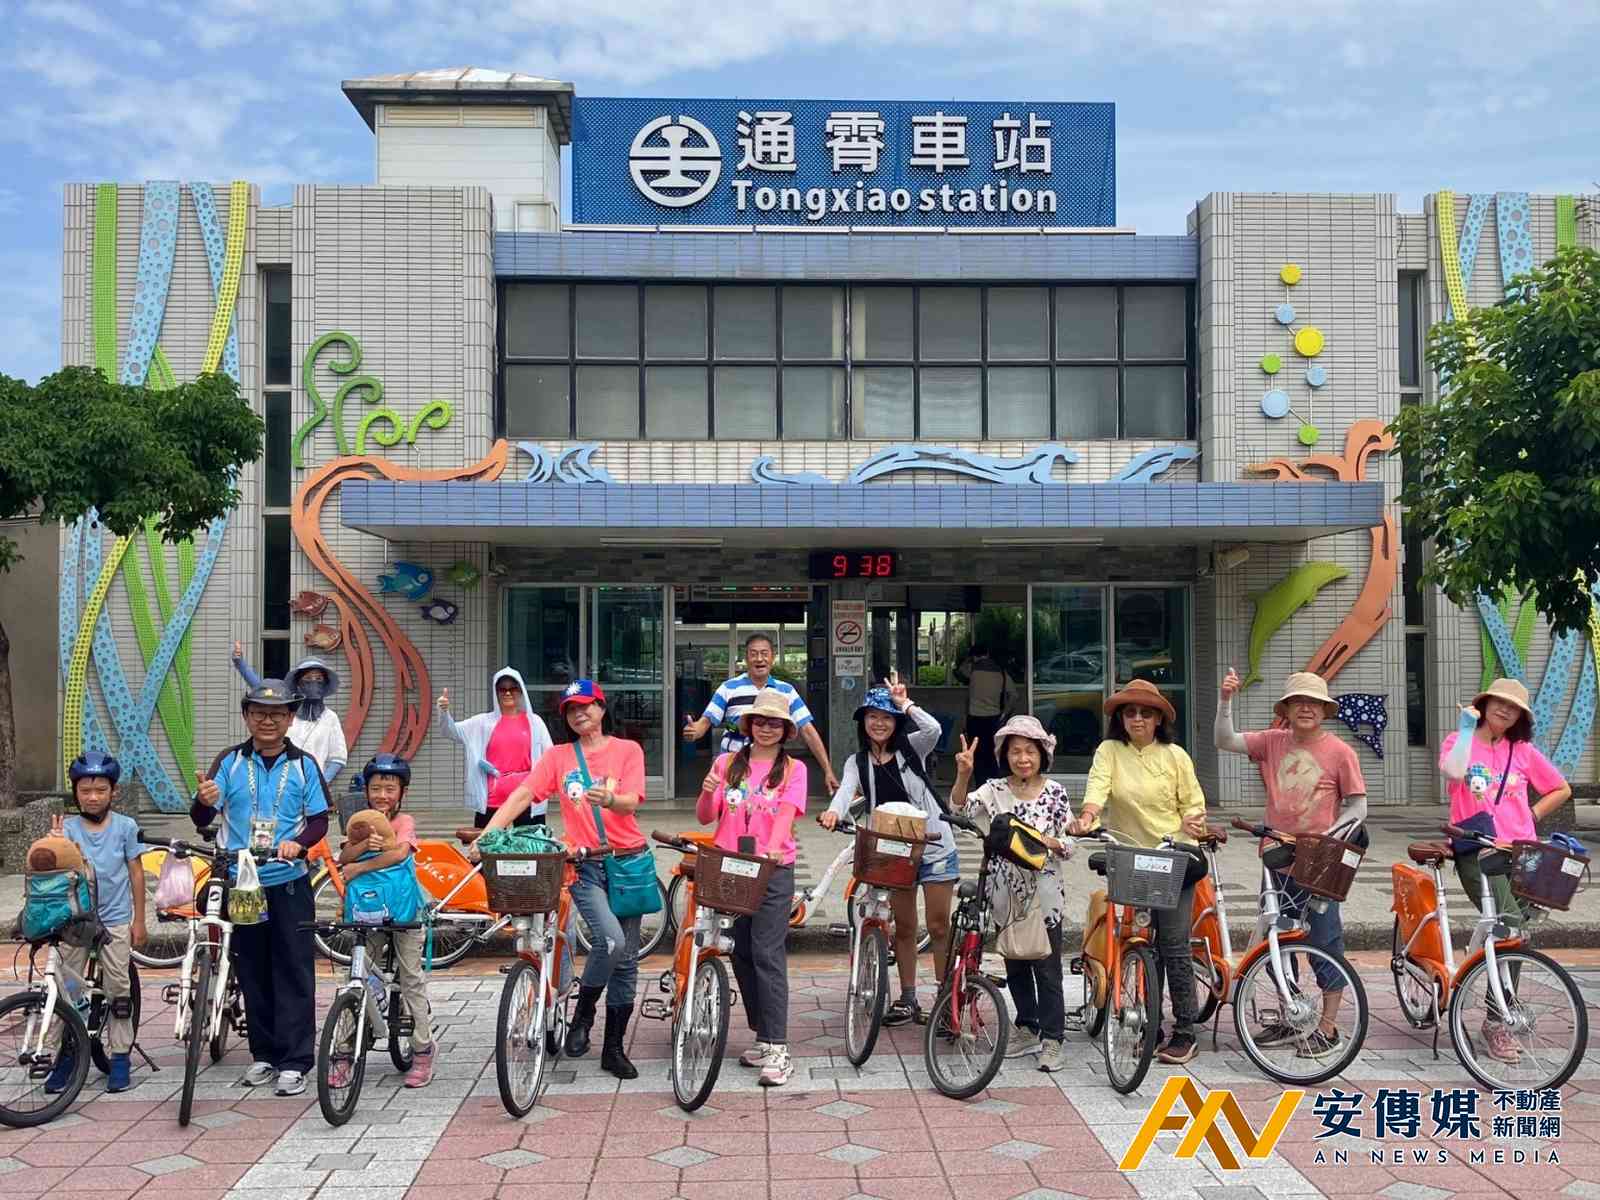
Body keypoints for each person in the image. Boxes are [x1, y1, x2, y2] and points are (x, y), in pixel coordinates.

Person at [481, 679, 647, 1080]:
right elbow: (523, 794)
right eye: (571, 709)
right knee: (611, 941)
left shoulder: (628, 750)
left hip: (628, 862)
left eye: (586, 706)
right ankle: (584, 1015)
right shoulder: (558, 757)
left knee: (625, 962)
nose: (579, 714)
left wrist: (611, 800)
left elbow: (630, 802)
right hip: (585, 865)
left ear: (601, 708)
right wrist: (488, 834)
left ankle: (613, 1049)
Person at [1215, 668, 1366, 1061]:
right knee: (1276, 939)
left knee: (1324, 940)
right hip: (1277, 858)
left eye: (1313, 702)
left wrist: (1326, 840)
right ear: (1286, 709)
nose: (1306, 708)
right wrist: (1225, 700)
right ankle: (1290, 1012)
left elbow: (1358, 807)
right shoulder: (1271, 741)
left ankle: (1327, 1028)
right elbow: (1224, 740)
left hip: (1320, 865)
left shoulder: (1341, 752)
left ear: (1324, 710)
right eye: (1298, 701)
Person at [192, 679, 330, 1096]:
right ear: (246, 717)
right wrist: (203, 801)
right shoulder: (230, 761)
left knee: (294, 969)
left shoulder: (304, 764)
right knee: (252, 969)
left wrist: (299, 843)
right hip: (243, 884)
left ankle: (296, 1060)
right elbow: (201, 818)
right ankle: (264, 1055)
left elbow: (320, 820)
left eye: (277, 714)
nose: (267, 720)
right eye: (258, 713)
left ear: (290, 719)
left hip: (288, 882)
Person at [1071, 678, 1208, 1066]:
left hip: (1175, 855)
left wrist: (1195, 820)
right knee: (1141, 941)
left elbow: (1193, 802)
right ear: (1120, 718)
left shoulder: (1175, 756)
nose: (1137, 719)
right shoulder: (1110, 751)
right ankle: (1151, 1025)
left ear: (1159, 719)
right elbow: (1097, 789)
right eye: (1130, 713)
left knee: (1174, 944)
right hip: (1133, 858)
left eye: (1146, 713)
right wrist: (1087, 817)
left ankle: (1185, 1031)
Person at [1440, 677, 1572, 1063]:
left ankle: (1496, 1012)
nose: (1505, 710)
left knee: (1516, 934)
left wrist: (1531, 814)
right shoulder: (1459, 741)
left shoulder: (1523, 751)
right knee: (1509, 923)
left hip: (1521, 852)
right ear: (1484, 704)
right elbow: (1452, 772)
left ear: (1520, 717)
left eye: (1513, 708)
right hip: (1476, 850)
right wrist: (1467, 730)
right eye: (1499, 702)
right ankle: (1499, 1021)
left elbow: (1561, 788)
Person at [821, 673, 958, 1026]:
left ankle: (946, 1000)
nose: (879, 723)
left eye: (886, 717)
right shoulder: (857, 762)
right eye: (872, 717)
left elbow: (933, 729)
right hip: (894, 851)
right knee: (906, 927)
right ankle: (908, 998)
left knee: (939, 926)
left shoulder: (912, 747)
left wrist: (904, 703)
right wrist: (833, 812)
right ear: (863, 722)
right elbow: (844, 792)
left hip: (934, 845)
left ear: (896, 722)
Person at [951, 715, 1074, 1072]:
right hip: (1004, 895)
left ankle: (1053, 1039)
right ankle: (1027, 1027)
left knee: (1047, 969)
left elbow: (1070, 843)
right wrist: (963, 773)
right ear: (1005, 755)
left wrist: (1048, 842)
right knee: (1016, 962)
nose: (1023, 758)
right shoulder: (993, 789)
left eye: (1030, 751)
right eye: (1016, 751)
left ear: (1042, 754)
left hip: (1046, 897)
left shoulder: (1055, 792)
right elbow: (959, 811)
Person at [697, 689, 807, 1087]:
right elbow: (706, 817)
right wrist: (708, 789)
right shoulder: (727, 763)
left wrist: (774, 848)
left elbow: (786, 816)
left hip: (772, 870)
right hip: (731, 868)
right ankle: (763, 1035)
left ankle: (778, 1047)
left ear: (786, 730)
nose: (766, 728)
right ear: (749, 725)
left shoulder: (794, 769)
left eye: (775, 723)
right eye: (760, 721)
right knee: (740, 950)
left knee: (766, 951)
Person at [44, 752, 146, 1094]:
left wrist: (139, 920)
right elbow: (52, 874)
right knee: (67, 990)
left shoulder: (126, 827)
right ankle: (67, 1055)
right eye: (85, 790)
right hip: (74, 921)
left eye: (101, 790)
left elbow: (135, 873)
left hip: (114, 919)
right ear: (75, 792)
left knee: (118, 989)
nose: (92, 797)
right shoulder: (68, 827)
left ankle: (120, 1057)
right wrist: (53, 844)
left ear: (113, 792)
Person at [335, 754, 437, 1087]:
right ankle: (346, 1048)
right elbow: (344, 856)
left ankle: (422, 1049)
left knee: (411, 978)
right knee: (358, 974)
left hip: (403, 910)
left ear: (402, 792)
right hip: (368, 910)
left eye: (390, 789)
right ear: (366, 791)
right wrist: (363, 843)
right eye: (376, 788)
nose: (382, 795)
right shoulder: (358, 821)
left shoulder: (404, 821)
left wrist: (361, 867)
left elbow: (399, 853)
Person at [682, 633, 839, 795]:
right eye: (753, 654)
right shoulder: (728, 688)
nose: (759, 659)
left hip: (769, 764)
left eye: (764, 653)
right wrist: (694, 732)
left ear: (772, 658)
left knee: (766, 804)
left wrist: (827, 770)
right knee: (731, 804)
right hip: (732, 762)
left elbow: (807, 730)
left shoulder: (786, 690)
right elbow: (706, 721)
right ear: (746, 658)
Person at [437, 667, 554, 828]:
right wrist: (444, 712)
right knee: (488, 842)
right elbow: (450, 731)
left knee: (529, 843)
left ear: (521, 691)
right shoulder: (482, 723)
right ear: (496, 692)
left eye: (513, 688)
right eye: (502, 689)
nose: (507, 693)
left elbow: (550, 756)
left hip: (527, 797)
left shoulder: (535, 722)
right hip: (492, 799)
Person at [231, 644, 348, 785]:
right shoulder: (286, 712)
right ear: (298, 683)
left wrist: (321, 782)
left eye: (319, 679)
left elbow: (338, 757)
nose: (313, 683)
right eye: (308, 678)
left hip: (311, 786)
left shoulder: (330, 718)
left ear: (325, 683)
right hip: (276, 781)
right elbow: (262, 689)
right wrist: (240, 663)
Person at [953, 643, 1017, 787]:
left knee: (976, 754)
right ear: (988, 654)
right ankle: (994, 785)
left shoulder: (972, 669)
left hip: (974, 718)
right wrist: (1005, 714)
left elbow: (959, 672)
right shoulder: (1001, 672)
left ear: (973, 656)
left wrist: (968, 659)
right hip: (994, 719)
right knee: (993, 754)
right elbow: (1014, 695)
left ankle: (980, 786)